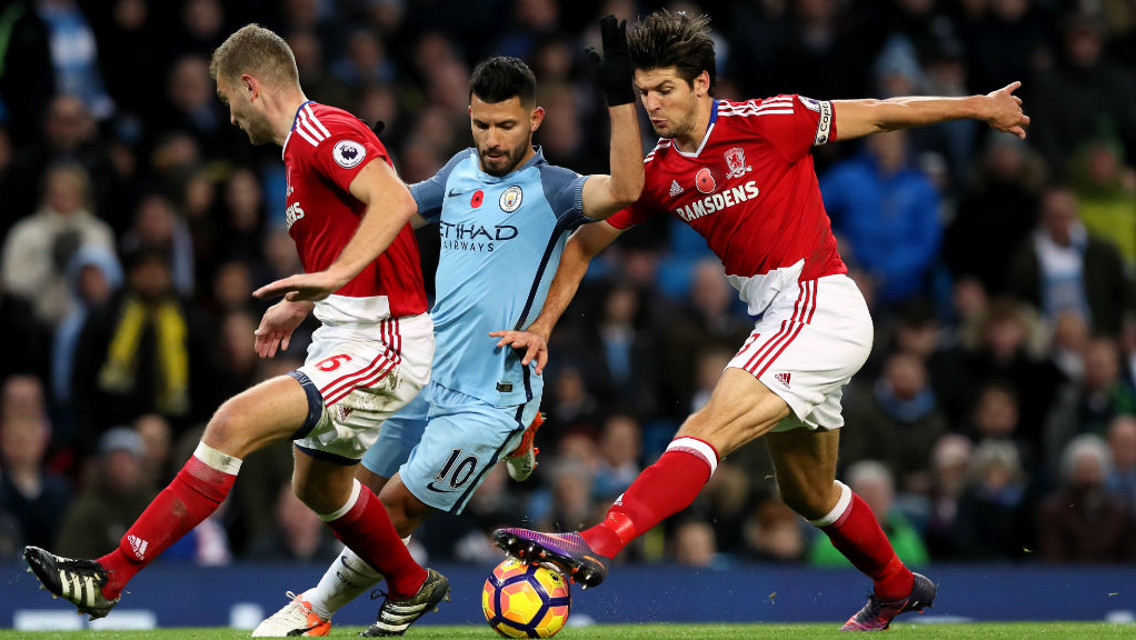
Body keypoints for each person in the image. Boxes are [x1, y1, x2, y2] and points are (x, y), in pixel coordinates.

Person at [490, 9, 1029, 631]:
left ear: (701, 83)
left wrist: (980, 107)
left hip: (818, 302)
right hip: (782, 317)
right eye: (642, 94)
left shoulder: (771, 121)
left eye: (664, 89)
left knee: (708, 422)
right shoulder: (661, 172)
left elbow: (883, 111)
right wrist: (544, 325)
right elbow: (583, 246)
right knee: (807, 492)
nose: (653, 105)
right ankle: (897, 584)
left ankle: (600, 539)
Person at [23, 24, 450, 636]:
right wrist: (304, 302)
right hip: (344, 331)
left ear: (251, 85)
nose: (228, 116)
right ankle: (410, 583)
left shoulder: (320, 129)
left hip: (386, 338)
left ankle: (109, 575)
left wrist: (329, 278)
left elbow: (397, 204)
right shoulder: (298, 154)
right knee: (321, 488)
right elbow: (359, 232)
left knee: (231, 424)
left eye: (227, 99)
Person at [249, 20, 642, 636]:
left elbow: (627, 187)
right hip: (426, 370)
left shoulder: (554, 188)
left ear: (535, 120)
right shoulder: (460, 170)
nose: (492, 138)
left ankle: (314, 611)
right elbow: (396, 210)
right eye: (481, 124)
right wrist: (358, 188)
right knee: (346, 499)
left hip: (491, 395)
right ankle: (521, 444)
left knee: (394, 512)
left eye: (506, 126)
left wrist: (620, 98)